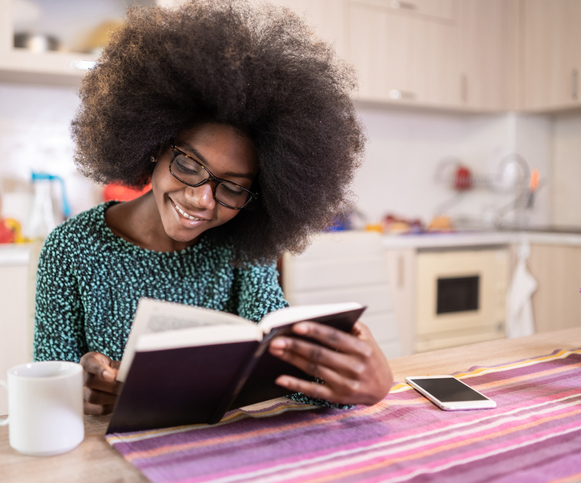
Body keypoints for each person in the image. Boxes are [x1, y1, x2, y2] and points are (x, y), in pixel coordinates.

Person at [33, 0, 393, 416]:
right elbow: (45, 387)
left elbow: (284, 371)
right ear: (153, 146)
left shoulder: (240, 249)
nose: (202, 199)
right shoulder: (71, 248)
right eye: (189, 164)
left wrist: (359, 385)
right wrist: (77, 388)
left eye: (233, 188)